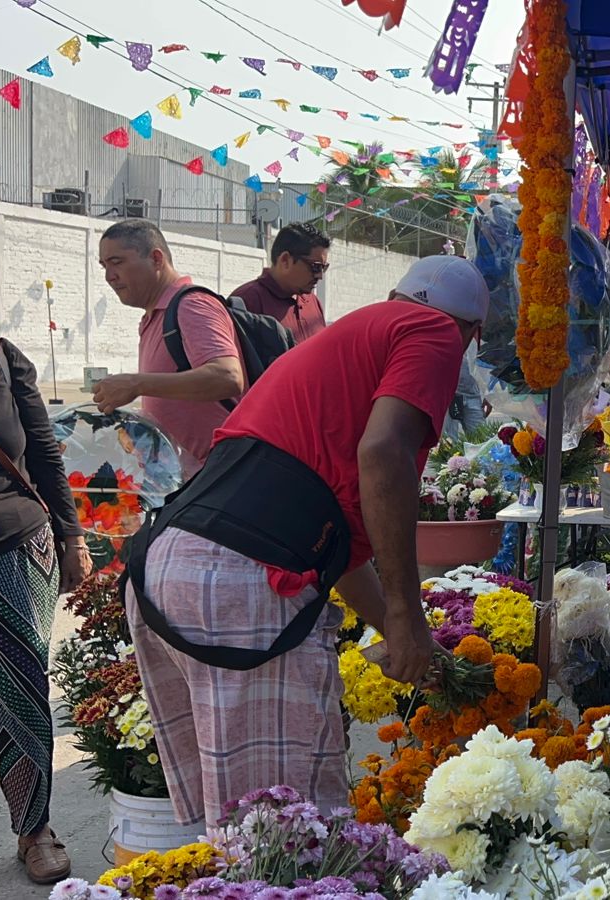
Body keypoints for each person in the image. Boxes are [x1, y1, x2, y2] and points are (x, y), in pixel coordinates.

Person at [124, 255, 489, 828]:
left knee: (265, 828)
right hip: (241, 576)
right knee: (282, 836)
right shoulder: (433, 330)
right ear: (473, 333)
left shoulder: (359, 333)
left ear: (396, 292)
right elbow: (384, 454)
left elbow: (336, 550)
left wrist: (402, 631)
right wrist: (407, 613)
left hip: (177, 562)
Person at [0, 246, 90, 885]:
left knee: (18, 694)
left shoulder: (8, 362)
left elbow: (45, 454)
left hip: (10, 548)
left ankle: (35, 829)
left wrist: (73, 538)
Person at [92, 219, 245, 476]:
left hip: (220, 480)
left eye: (117, 262)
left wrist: (137, 384)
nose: (109, 277)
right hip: (183, 482)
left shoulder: (192, 305)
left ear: (156, 259)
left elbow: (227, 377)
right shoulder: (154, 317)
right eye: (104, 266)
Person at [230, 223, 331, 344]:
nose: (320, 276)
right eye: (315, 267)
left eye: (323, 268)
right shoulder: (246, 301)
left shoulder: (313, 302)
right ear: (285, 260)